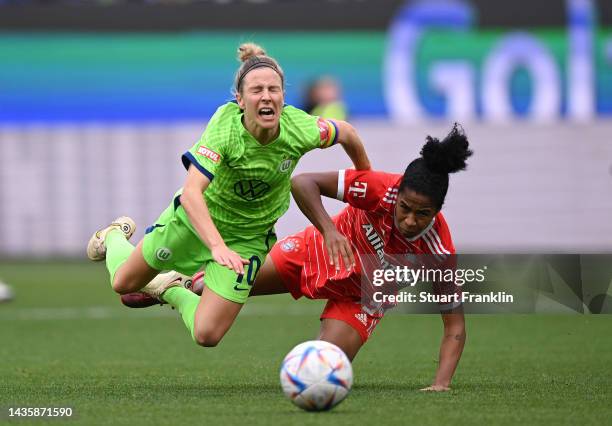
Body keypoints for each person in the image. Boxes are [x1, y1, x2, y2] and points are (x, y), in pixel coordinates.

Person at [127, 124, 472, 391]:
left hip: (362, 296)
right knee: (214, 291)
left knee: (320, 374)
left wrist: (441, 384)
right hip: (316, 252)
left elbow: (454, 325)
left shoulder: (438, 251)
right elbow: (302, 183)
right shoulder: (382, 189)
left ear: (437, 211)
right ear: (397, 196)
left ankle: (177, 285)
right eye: (405, 209)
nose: (410, 220)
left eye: (422, 214)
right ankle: (178, 285)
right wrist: (329, 231)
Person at [87, 42, 371, 347]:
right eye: (257, 90)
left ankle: (168, 288)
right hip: (196, 223)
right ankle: (114, 235)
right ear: (240, 99)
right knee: (123, 283)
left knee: (207, 335)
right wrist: (217, 246)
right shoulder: (225, 129)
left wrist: (367, 187)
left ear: (283, 98)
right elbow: (192, 193)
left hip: (247, 240)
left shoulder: (300, 128)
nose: (266, 96)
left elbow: (348, 133)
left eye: (273, 90)